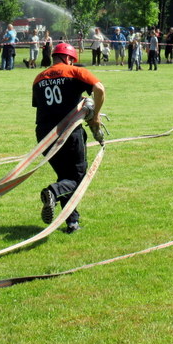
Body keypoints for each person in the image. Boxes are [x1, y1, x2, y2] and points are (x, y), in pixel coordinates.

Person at [33, 42, 105, 234]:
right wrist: (96, 116)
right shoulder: (75, 71)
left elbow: (45, 105)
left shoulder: (39, 78)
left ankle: (72, 222)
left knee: (65, 176)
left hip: (44, 134)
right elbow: (99, 89)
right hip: (69, 132)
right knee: (78, 177)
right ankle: (53, 192)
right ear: (68, 58)